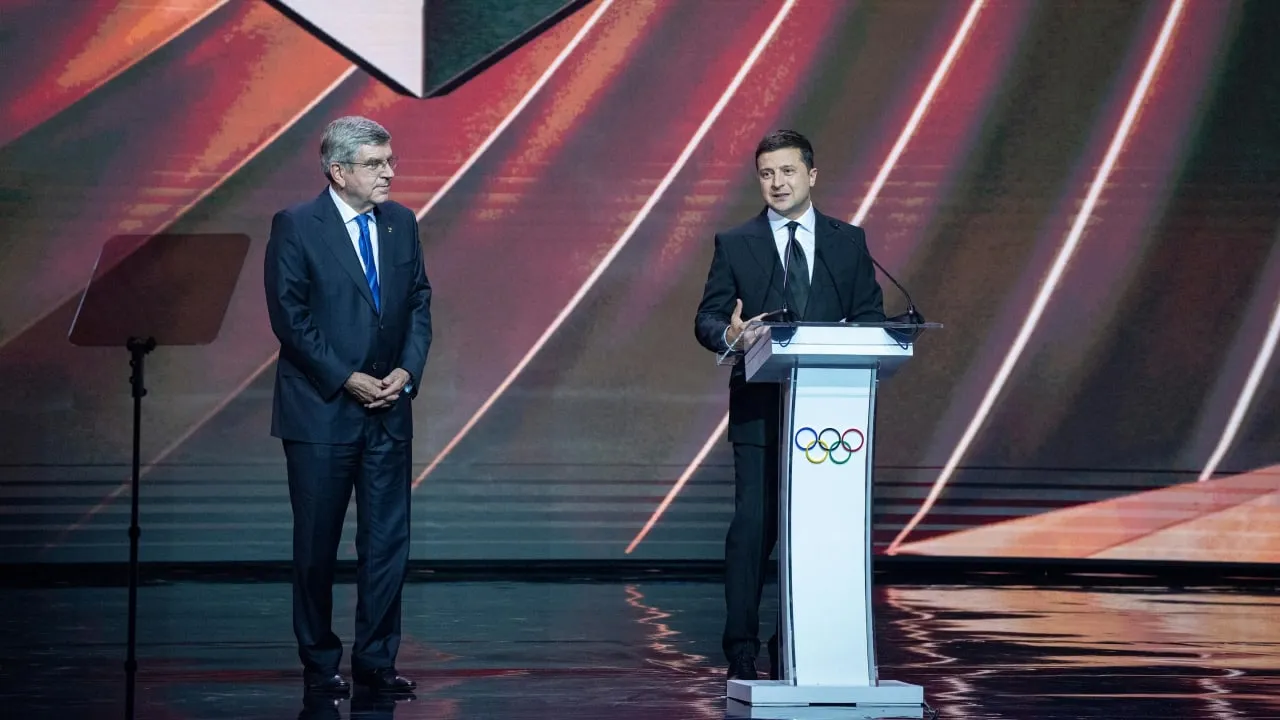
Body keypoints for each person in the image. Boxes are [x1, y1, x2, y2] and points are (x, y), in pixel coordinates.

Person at [693, 130, 886, 680]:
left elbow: (871, 318)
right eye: (766, 174)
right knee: (753, 527)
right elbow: (707, 319)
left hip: (832, 415)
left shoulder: (848, 242)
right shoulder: (736, 243)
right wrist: (731, 335)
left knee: (821, 531)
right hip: (761, 411)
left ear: (811, 175)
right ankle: (742, 648)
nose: (777, 183)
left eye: (787, 171)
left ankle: (798, 642)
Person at [264, 115, 432, 695]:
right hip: (321, 411)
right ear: (337, 171)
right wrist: (346, 377)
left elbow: (419, 301)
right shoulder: (296, 225)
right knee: (316, 545)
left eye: (390, 161)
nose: (389, 173)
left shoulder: (402, 223)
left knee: (387, 544)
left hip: (390, 410)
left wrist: (407, 370)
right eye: (375, 163)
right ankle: (319, 664)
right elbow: (290, 317)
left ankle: (376, 663)